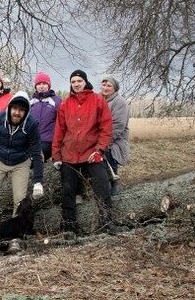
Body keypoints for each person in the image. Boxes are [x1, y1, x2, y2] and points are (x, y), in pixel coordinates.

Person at [0, 91, 44, 240]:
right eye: (15, 108)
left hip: (21, 161)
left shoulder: (31, 124)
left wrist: (38, 181)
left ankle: (16, 235)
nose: (17, 113)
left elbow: (37, 153)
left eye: (21, 110)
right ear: (10, 108)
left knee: (19, 199)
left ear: (26, 112)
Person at [52, 70, 115, 234]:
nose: (76, 84)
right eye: (73, 82)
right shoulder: (65, 104)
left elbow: (106, 129)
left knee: (102, 185)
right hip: (70, 154)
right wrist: (56, 155)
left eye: (79, 81)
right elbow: (59, 131)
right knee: (68, 189)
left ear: (85, 82)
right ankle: (69, 225)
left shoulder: (98, 101)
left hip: (91, 153)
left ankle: (106, 221)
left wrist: (100, 150)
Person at [101, 74, 130, 196]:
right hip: (98, 137)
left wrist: (104, 141)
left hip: (115, 139)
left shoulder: (120, 102)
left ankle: (114, 183)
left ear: (115, 89)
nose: (105, 88)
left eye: (109, 85)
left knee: (108, 152)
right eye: (104, 84)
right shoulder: (97, 99)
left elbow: (118, 125)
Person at [29, 71, 62, 161]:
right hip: (30, 140)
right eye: (39, 84)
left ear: (49, 85)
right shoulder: (30, 101)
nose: (41, 86)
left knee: (35, 157)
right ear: (35, 86)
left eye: (44, 83)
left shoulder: (57, 101)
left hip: (47, 141)